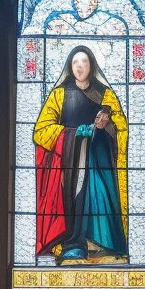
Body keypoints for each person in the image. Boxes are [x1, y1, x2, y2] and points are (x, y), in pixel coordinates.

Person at [33, 46, 128, 262]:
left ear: (92, 65)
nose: (80, 66)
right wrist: (73, 134)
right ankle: (73, 242)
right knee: (74, 196)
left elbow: (120, 126)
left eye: (84, 62)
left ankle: (98, 242)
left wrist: (106, 124)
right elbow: (41, 130)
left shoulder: (105, 94)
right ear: (69, 66)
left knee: (98, 194)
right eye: (75, 62)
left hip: (97, 157)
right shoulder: (59, 94)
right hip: (70, 158)